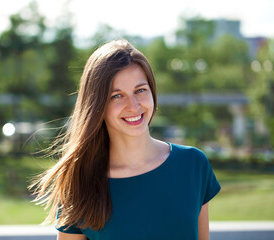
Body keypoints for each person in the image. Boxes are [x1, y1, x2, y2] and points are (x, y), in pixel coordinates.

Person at [31, 39, 221, 240]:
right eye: (117, 96)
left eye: (140, 90)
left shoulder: (192, 165)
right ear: (97, 105)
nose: (133, 106)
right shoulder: (79, 184)